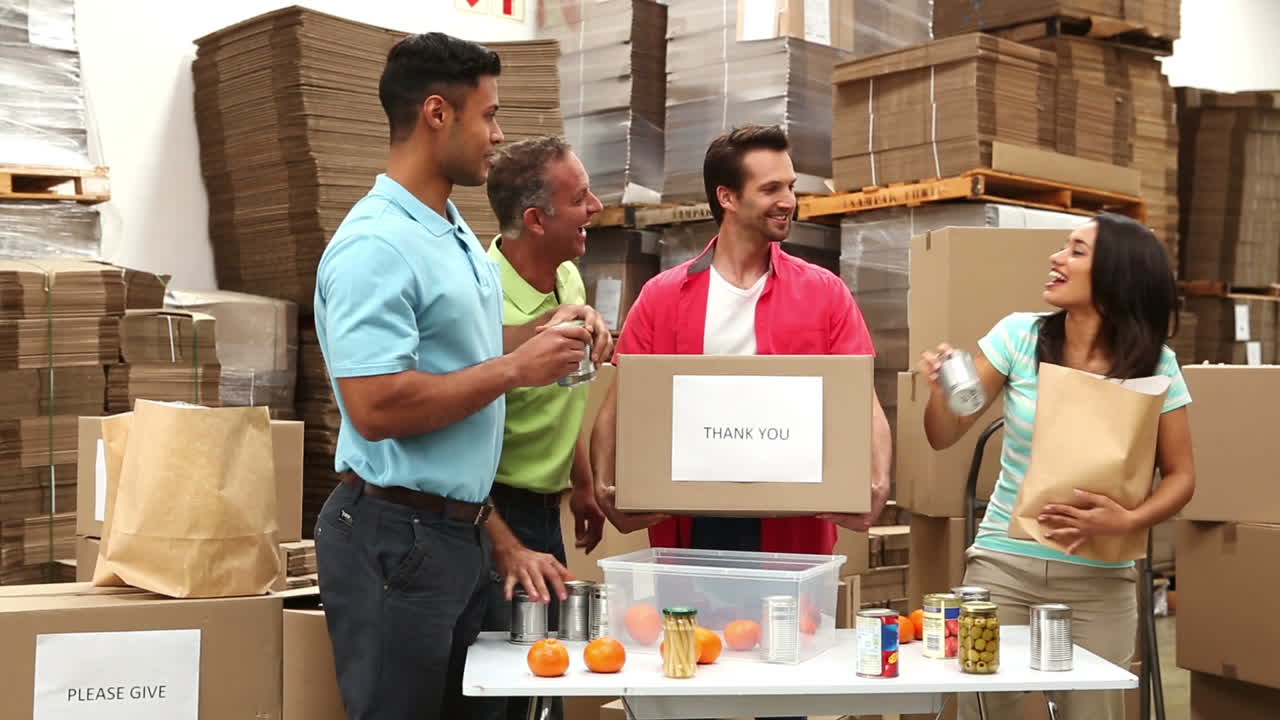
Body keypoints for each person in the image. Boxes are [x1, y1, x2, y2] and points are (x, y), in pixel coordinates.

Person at [311, 34, 610, 720]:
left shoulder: (449, 231)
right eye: (489, 115)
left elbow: (459, 352)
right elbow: (375, 406)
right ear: (437, 114)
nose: (497, 136)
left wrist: (546, 331)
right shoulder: (376, 246)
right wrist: (514, 369)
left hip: (459, 535)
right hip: (395, 537)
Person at [918, 213, 1194, 720]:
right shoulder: (1018, 336)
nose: (1056, 257)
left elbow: (1181, 476)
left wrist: (1129, 520)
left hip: (1100, 578)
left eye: (1076, 251)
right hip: (1003, 564)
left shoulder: (1157, 363)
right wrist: (940, 393)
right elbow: (943, 435)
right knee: (985, 710)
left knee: (1094, 710)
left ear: (1116, 274)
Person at [480, 135, 610, 720]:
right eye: (579, 198)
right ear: (535, 220)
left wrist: (580, 483)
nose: (596, 208)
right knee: (503, 686)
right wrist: (504, 543)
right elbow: (452, 442)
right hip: (490, 513)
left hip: (543, 510)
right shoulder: (481, 297)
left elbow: (567, 394)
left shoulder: (568, 280)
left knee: (545, 683)